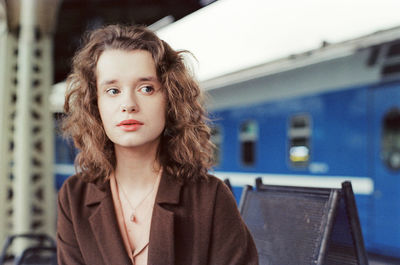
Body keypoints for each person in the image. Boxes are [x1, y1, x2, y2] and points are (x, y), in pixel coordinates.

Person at [57, 24, 258, 265]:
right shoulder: (74, 197)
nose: (128, 103)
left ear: (169, 100)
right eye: (112, 90)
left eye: (146, 88)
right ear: (95, 105)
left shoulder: (210, 197)